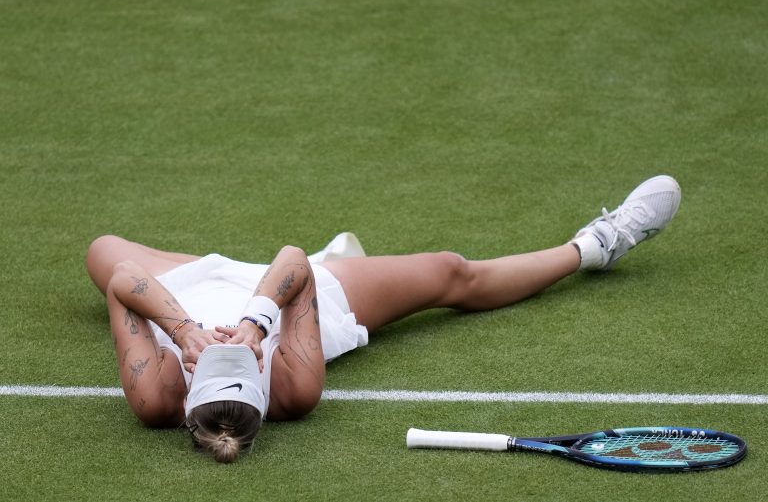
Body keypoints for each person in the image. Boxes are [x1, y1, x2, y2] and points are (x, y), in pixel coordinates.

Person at [85, 175, 681, 463]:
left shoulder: (154, 396)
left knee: (101, 249)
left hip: (189, 294)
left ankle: (238, 274)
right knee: (452, 272)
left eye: (220, 358)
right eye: (237, 360)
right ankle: (597, 245)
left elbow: (121, 284)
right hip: (296, 300)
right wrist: (259, 327)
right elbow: (295, 266)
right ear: (263, 390)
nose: (225, 345)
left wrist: (188, 330)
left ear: (188, 389)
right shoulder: (296, 387)